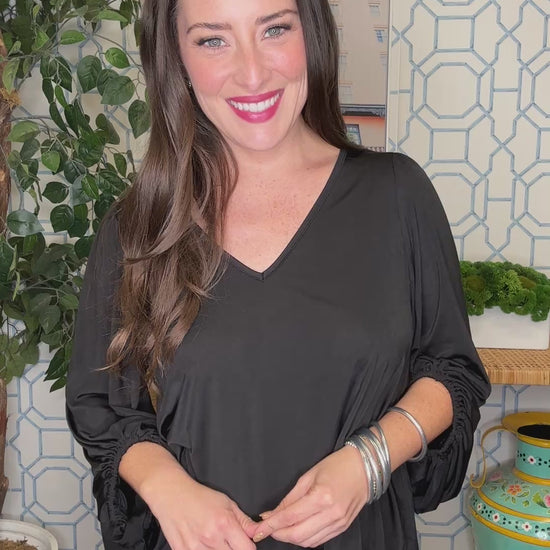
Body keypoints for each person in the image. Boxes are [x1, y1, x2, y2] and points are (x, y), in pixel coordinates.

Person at [65, 0, 491, 549]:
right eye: (213, 40)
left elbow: (452, 370)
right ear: (177, 59)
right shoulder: (139, 227)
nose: (252, 73)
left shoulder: (397, 194)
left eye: (274, 30)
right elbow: (101, 403)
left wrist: (368, 460)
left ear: (310, 35)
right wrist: (170, 490)